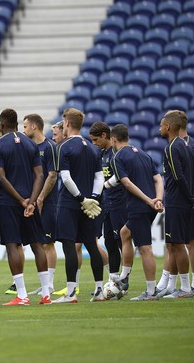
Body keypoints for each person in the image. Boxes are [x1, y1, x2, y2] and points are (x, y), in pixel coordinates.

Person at [0, 109, 50, 306]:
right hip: (30, 202)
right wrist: (32, 201)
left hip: (10, 203)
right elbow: (40, 175)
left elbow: (1, 177)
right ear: (16, 123)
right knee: (37, 244)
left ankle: (23, 295)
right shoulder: (30, 143)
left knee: (12, 245)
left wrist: (20, 201)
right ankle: (46, 294)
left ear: (2, 124)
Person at [53, 108, 105, 303]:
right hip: (89, 204)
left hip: (70, 203)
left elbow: (65, 178)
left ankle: (71, 292)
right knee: (91, 245)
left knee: (69, 246)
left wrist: (81, 198)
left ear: (67, 124)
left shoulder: (64, 147)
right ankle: (99, 290)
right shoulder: (93, 148)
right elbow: (99, 177)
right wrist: (92, 198)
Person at [108, 124, 164, 300]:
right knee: (125, 233)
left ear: (113, 139)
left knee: (145, 248)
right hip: (149, 205)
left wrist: (148, 200)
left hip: (139, 206)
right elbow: (157, 179)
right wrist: (158, 199)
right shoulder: (143, 153)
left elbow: (126, 183)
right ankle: (124, 277)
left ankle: (151, 291)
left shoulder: (117, 157)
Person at [157, 112, 194, 298]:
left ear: (169, 127)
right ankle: (176, 286)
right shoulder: (186, 146)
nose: (160, 129)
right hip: (183, 202)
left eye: (162, 125)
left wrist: (189, 198)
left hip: (177, 202)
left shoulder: (171, 147)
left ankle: (186, 288)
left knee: (178, 244)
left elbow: (179, 176)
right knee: (175, 243)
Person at [23, 114, 58, 296]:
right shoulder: (29, 147)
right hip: (33, 201)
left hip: (48, 202)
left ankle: (50, 284)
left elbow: (52, 174)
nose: (24, 129)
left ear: (35, 127)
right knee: (39, 242)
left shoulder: (50, 147)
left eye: (26, 126)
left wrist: (41, 197)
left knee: (48, 242)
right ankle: (45, 283)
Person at [89, 122, 126, 284]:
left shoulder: (116, 153)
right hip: (107, 204)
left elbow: (121, 177)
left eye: (96, 139)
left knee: (121, 242)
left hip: (120, 203)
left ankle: (125, 277)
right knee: (109, 242)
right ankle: (114, 279)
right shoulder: (102, 153)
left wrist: (105, 185)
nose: (94, 143)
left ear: (105, 136)